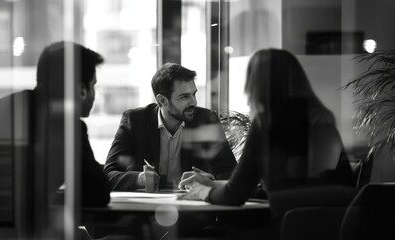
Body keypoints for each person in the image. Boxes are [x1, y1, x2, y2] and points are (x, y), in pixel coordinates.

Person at [178, 49, 356, 237]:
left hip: (285, 227)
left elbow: (235, 195)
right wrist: (213, 185)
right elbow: (299, 187)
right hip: (332, 227)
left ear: (257, 83)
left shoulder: (267, 123)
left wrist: (203, 192)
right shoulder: (321, 119)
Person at [0, 41, 110, 207]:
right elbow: (98, 192)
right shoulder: (67, 126)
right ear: (81, 90)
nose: (94, 95)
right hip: (12, 228)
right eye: (93, 86)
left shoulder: (0, 107)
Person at [104, 62, 237, 191]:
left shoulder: (206, 120)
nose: (194, 102)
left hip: (192, 208)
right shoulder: (134, 121)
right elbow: (108, 174)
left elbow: (231, 173)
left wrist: (211, 180)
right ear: (162, 100)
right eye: (184, 97)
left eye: (194, 94)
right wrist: (140, 179)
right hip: (146, 209)